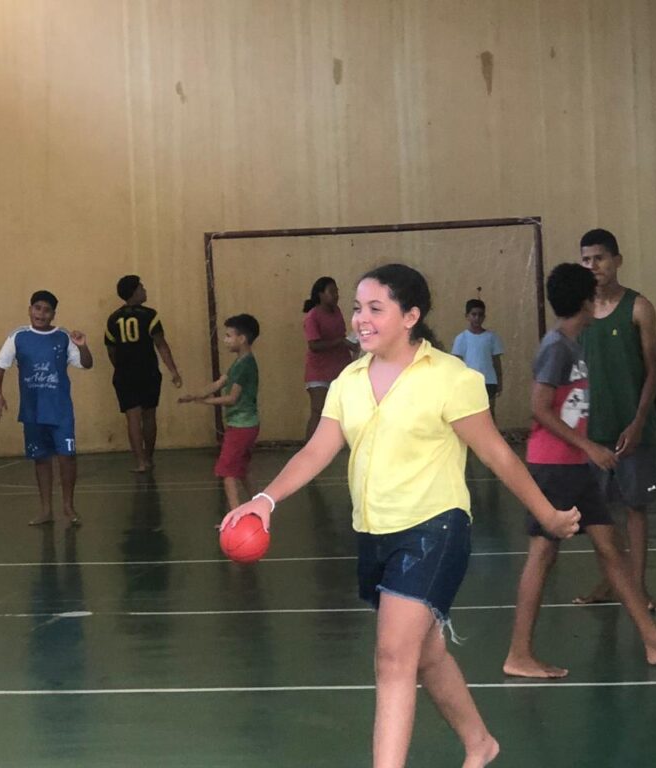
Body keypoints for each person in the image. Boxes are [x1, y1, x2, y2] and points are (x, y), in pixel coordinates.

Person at [221, 265, 580, 768]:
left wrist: (549, 515)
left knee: (392, 657)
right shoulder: (348, 381)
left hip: (435, 529)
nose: (360, 319)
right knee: (426, 654)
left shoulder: (450, 378)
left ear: (410, 316)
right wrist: (265, 499)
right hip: (374, 534)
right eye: (357, 308)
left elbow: (498, 455)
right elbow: (317, 450)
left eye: (375, 308)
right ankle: (480, 743)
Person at [502, 264, 656, 679]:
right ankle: (519, 653)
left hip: (574, 467)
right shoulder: (556, 347)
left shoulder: (574, 345)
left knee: (611, 550)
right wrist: (589, 446)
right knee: (542, 553)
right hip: (553, 467)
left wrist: (584, 451)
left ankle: (653, 640)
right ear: (587, 302)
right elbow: (539, 408)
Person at [574, 229, 656, 611]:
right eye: (586, 259)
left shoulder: (639, 307)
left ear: (617, 261)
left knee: (635, 507)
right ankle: (611, 582)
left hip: (632, 431)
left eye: (600, 258)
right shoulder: (578, 313)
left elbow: (653, 370)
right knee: (599, 514)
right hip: (591, 433)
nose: (593, 265)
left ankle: (638, 589)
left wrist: (638, 422)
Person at [0, 291, 93, 526]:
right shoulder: (18, 337)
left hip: (60, 410)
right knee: (41, 459)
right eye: (37, 308)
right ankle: (46, 510)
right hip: (33, 411)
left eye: (47, 310)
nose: (41, 313)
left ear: (53, 314)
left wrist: (83, 347)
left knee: (67, 457)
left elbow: (86, 364)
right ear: (30, 310)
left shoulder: (63, 336)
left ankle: (68, 506)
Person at [179, 314, 259, 510]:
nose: (225, 340)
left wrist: (205, 402)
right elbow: (219, 383)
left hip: (241, 426)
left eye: (229, 336)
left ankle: (234, 516)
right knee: (242, 469)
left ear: (242, 338)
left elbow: (232, 398)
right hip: (246, 425)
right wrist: (194, 395)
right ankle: (259, 505)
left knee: (227, 472)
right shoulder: (239, 362)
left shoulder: (245, 365)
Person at [105, 275, 183, 472]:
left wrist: (120, 367)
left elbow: (111, 350)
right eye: (141, 288)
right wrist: (173, 370)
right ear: (134, 292)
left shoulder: (113, 318)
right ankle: (148, 458)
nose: (145, 291)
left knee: (132, 418)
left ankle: (140, 462)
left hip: (124, 374)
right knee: (149, 416)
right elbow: (161, 344)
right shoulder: (150, 315)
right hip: (148, 372)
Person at [302, 276, 357, 441]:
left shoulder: (336, 311)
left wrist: (351, 343)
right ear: (320, 294)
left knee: (340, 411)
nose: (336, 295)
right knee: (318, 410)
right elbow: (314, 345)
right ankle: (309, 448)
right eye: (331, 292)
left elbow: (341, 335)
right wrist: (340, 342)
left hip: (340, 368)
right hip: (319, 371)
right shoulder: (312, 316)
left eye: (337, 292)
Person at [451, 299, 504, 420]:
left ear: (484, 317)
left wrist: (499, 382)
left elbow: (496, 361)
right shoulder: (461, 338)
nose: (477, 318)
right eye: (473, 314)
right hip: (469, 382)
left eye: (480, 315)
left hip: (489, 381)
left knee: (489, 413)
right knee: (471, 413)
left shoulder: (491, 337)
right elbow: (456, 363)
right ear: (467, 316)